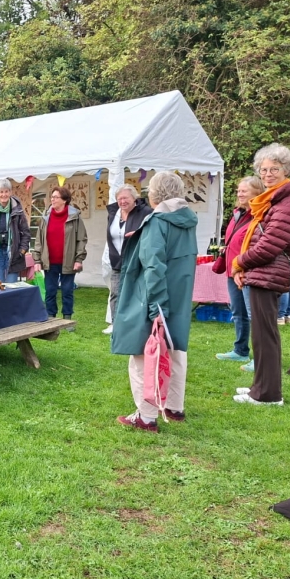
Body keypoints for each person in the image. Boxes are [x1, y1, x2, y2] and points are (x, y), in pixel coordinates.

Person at [112, 172, 198, 432]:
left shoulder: (158, 222)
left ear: (155, 193)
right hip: (179, 294)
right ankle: (174, 405)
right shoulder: (186, 220)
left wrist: (155, 306)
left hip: (153, 295)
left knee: (142, 353)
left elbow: (153, 266)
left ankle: (146, 415)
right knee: (175, 349)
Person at [231, 143, 290, 406]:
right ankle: (259, 388)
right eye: (263, 169)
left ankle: (268, 395)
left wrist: (240, 263)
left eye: (274, 169)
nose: (267, 174)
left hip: (269, 272)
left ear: (286, 169)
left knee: (266, 335)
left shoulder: (289, 203)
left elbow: (269, 246)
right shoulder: (274, 199)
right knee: (261, 334)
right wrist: (244, 266)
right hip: (262, 271)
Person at [215, 176, 264, 369]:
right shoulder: (238, 214)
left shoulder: (260, 215)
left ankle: (260, 358)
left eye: (244, 190)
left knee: (254, 314)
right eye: (239, 190)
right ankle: (241, 351)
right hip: (232, 270)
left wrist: (243, 266)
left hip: (249, 271)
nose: (240, 193)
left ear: (257, 193)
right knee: (238, 312)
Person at [33, 186, 87, 325]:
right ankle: (51, 316)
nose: (52, 199)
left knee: (67, 291)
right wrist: (37, 259)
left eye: (56, 197)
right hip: (49, 262)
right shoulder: (45, 218)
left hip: (68, 261)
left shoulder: (75, 218)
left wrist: (79, 259)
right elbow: (39, 240)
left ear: (64, 200)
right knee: (50, 291)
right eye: (52, 197)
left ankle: (67, 318)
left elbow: (81, 239)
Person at [103, 185, 152, 334]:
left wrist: (139, 234)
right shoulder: (113, 214)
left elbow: (151, 234)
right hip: (117, 261)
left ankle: (136, 324)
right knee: (116, 292)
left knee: (136, 293)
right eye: (120, 199)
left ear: (135, 198)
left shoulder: (146, 213)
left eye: (125, 198)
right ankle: (115, 324)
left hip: (136, 261)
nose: (122, 201)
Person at [0, 179, 30, 282]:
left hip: (13, 253)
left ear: (10, 192)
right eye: (1, 192)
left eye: (6, 191)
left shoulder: (17, 210)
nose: (4, 195)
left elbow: (26, 233)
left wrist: (22, 250)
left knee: (11, 286)